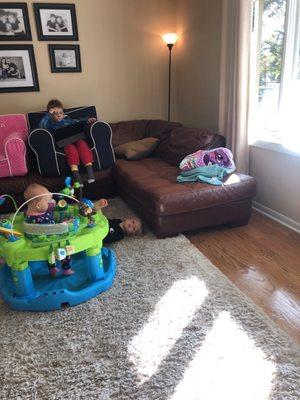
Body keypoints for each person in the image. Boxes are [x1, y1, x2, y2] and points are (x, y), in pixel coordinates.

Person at [39, 99, 97, 185]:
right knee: (71, 149)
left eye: (60, 113)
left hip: (76, 138)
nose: (58, 115)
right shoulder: (50, 124)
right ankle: (77, 177)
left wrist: (88, 120)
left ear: (63, 114)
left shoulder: (68, 120)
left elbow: (79, 121)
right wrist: (48, 115)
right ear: (51, 115)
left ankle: (90, 172)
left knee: (82, 144)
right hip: (65, 142)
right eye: (55, 114)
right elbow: (42, 126)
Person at [23, 183, 74, 276]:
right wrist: (65, 223)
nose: (49, 203)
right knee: (64, 251)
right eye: (47, 202)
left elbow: (46, 208)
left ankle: (53, 268)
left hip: (38, 239)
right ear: (38, 205)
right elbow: (53, 228)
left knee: (49, 255)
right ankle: (67, 269)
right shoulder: (42, 220)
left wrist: (48, 198)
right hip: (51, 238)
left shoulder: (28, 212)